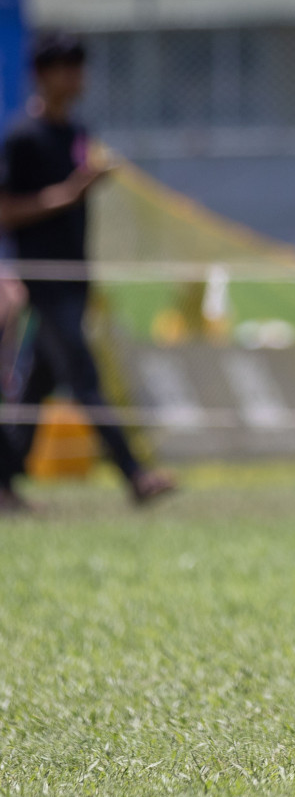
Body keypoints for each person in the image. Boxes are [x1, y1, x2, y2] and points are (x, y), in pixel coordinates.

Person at [0, 33, 176, 509]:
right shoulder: (22, 139)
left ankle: (3, 478)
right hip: (44, 278)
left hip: (76, 275)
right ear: (42, 74)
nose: (77, 77)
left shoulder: (77, 132)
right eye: (67, 67)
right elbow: (7, 211)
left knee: (38, 381)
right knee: (83, 374)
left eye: (80, 67)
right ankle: (135, 476)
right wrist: (69, 192)